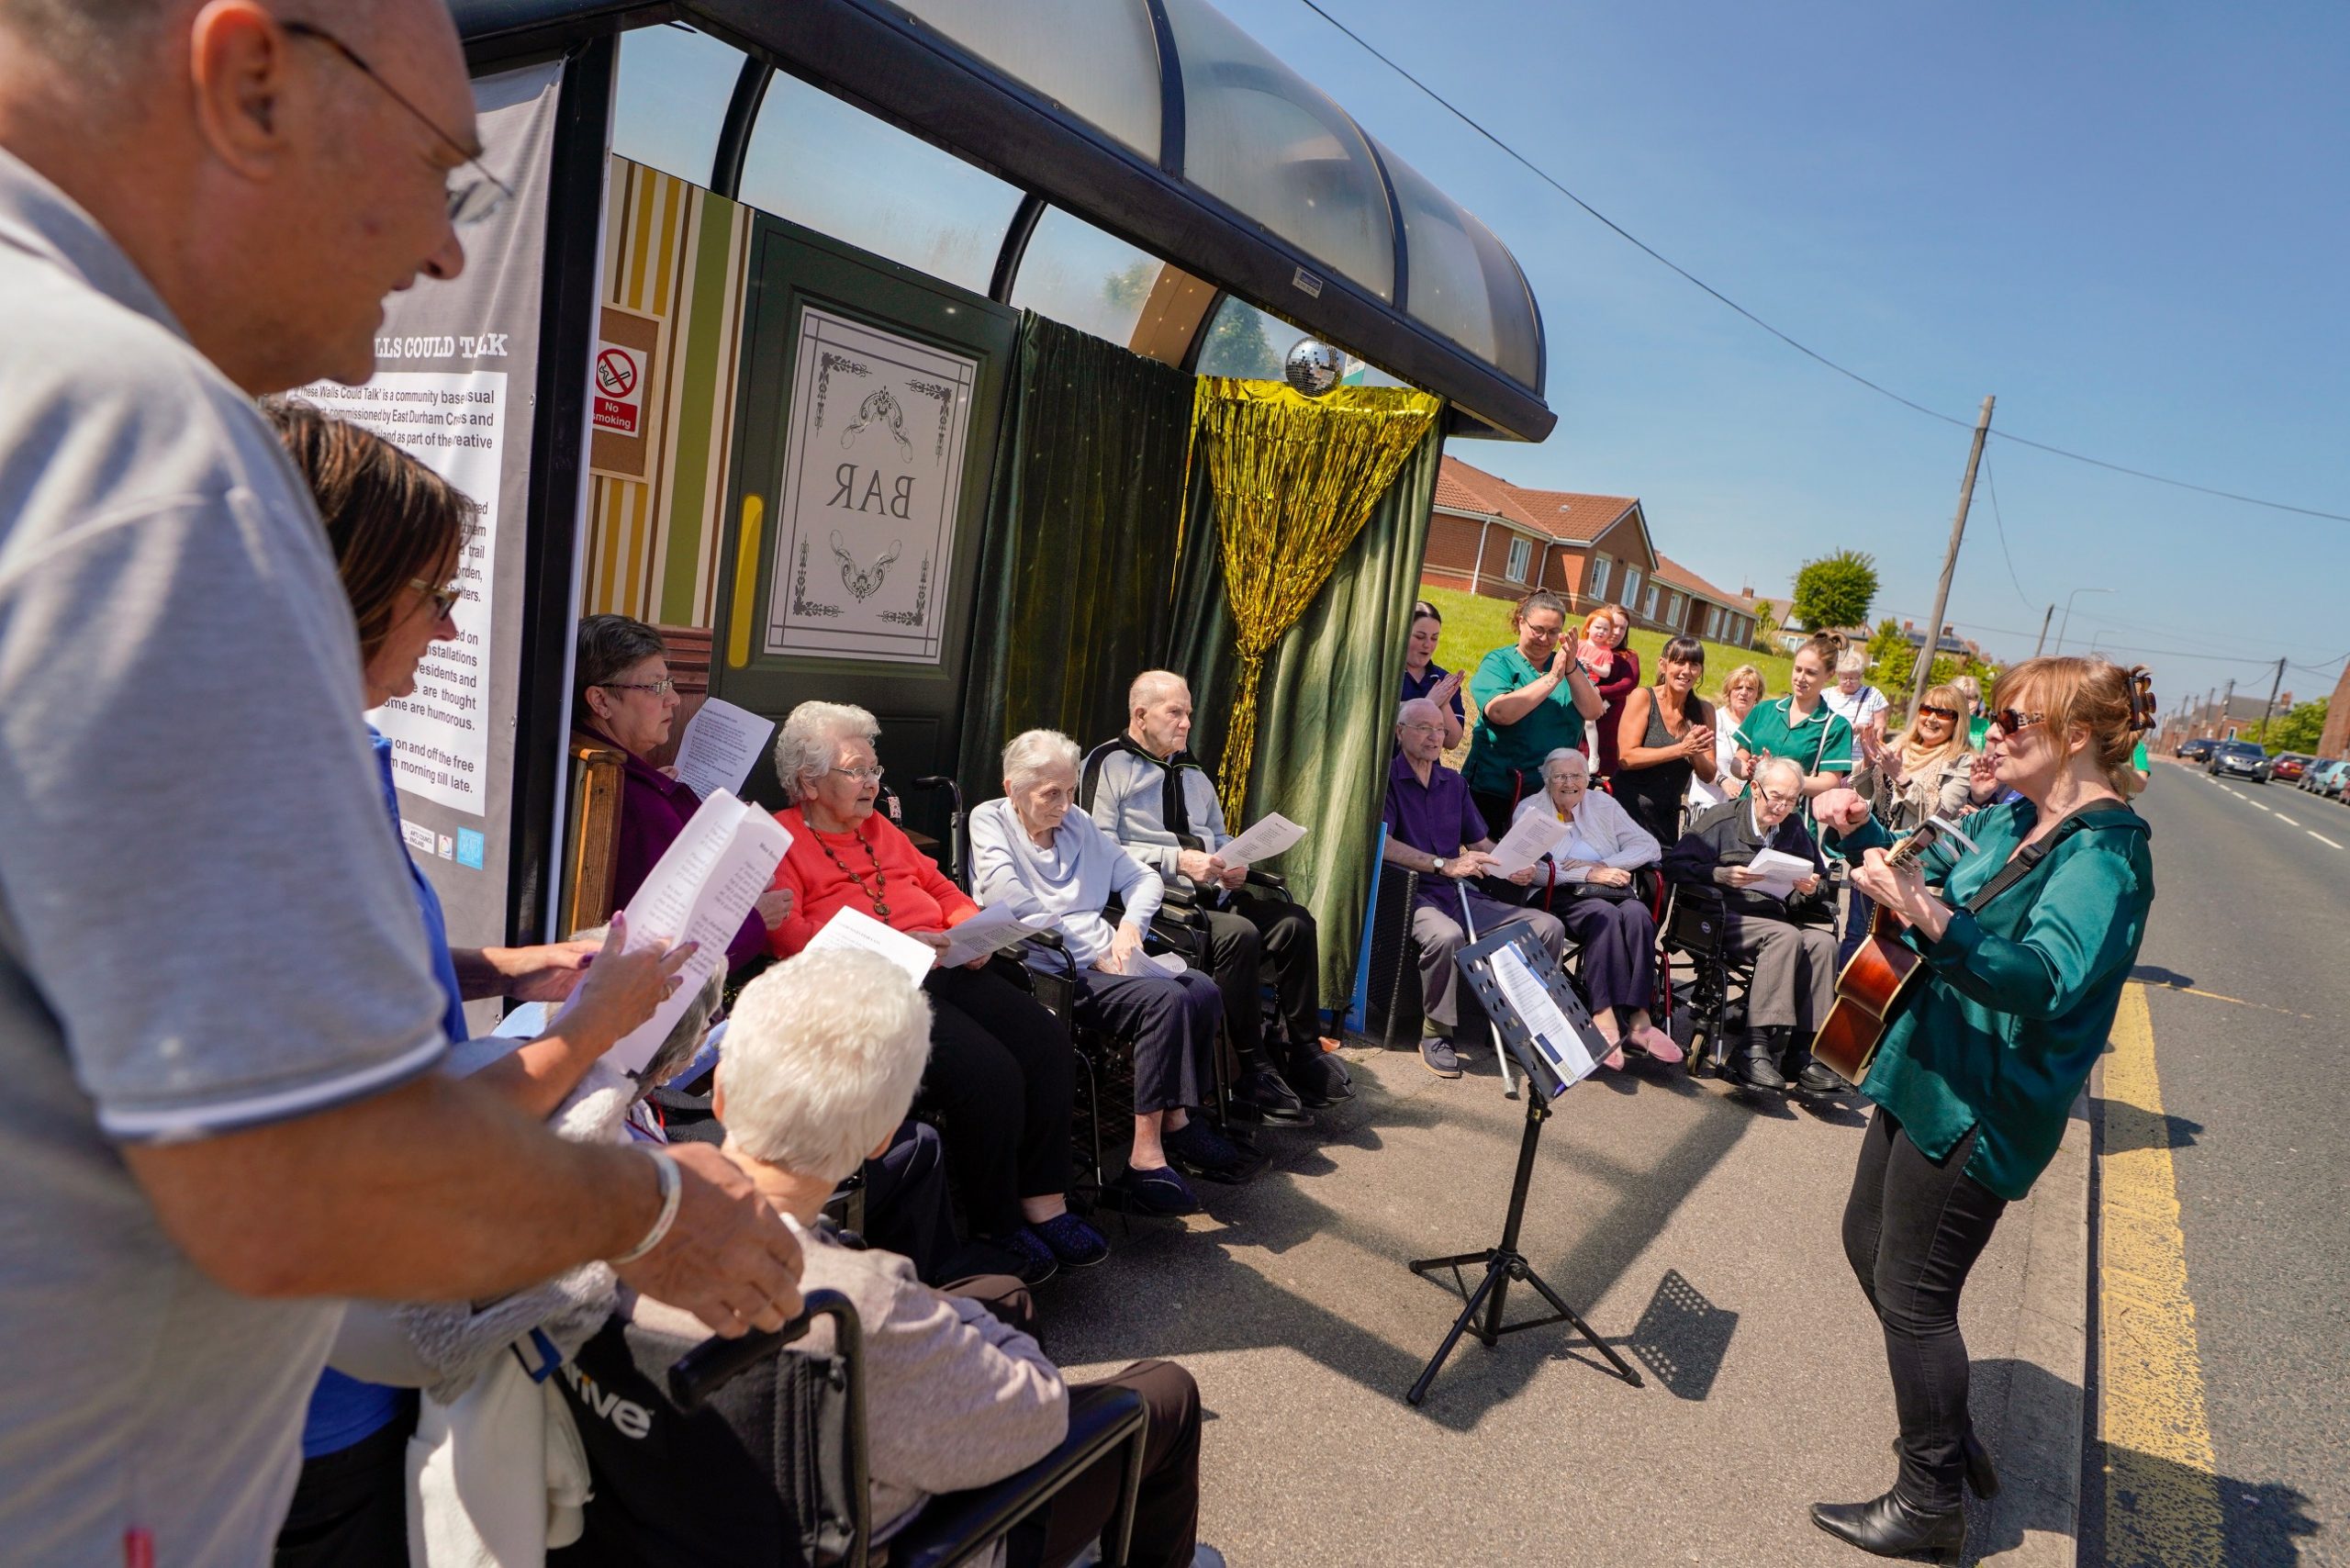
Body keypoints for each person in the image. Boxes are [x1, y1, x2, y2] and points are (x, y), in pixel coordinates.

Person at [0, 5, 800, 1561]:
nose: (445, 247)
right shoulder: (146, 442)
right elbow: (301, 1178)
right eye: (443, 166)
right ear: (250, 78)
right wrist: (654, 1208)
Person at [264, 399, 693, 1565]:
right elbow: (397, 1139)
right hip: (312, 1399)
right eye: (436, 599)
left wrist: (514, 966)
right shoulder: (276, 801)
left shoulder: (334, 749)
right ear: (347, 593)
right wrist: (592, 1022)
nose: (450, 636)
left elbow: (373, 967)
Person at [650, 948, 1218, 1568]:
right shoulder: (864, 1303)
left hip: (695, 1522)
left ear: (722, 1095)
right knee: (1169, 1391)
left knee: (1006, 1295)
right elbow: (1039, 1416)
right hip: (909, 1541)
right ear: (883, 1135)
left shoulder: (600, 1245)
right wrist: (955, 1325)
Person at [1807, 659, 2156, 1561]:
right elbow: (1935, 870)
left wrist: (1922, 911)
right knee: (1863, 1244)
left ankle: (1929, 1501)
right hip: (1923, 1061)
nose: (1990, 729)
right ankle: (1947, 1431)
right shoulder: (2007, 812)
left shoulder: (2105, 855)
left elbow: (2041, 978)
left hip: (1983, 1100)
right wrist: (1872, 836)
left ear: (2075, 737)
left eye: (2012, 718)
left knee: (1916, 1295)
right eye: (1993, 714)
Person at [765, 701, 1105, 1285]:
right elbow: (788, 938)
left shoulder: (881, 830)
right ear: (809, 782)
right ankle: (998, 1224)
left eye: (875, 770)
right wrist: (893, 942)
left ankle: (1045, 1202)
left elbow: (943, 889)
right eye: (856, 771)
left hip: (942, 963)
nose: (873, 782)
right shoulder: (780, 838)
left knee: (1047, 1039)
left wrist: (971, 930)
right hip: (870, 989)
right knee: (988, 1072)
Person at [971, 731, 1257, 1214]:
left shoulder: (1078, 823)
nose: (1065, 805)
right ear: (1012, 789)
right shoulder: (989, 821)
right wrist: (1095, 945)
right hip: (1049, 965)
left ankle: (1177, 1121)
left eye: (1069, 790)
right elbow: (1012, 901)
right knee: (1165, 1001)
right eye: (1051, 794)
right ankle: (1145, 1161)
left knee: (1203, 989)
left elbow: (1141, 877)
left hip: (1109, 954)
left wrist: (1128, 928)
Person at [1083, 671, 1352, 1125]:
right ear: (1140, 714)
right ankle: (1251, 1067)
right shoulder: (1107, 765)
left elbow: (1217, 833)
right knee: (1240, 935)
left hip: (1211, 895)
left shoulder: (1192, 771)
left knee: (1295, 922)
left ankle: (1303, 1049)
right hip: (1154, 904)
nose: (1187, 722)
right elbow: (1096, 845)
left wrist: (1232, 861)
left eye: (1189, 712)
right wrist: (1176, 859)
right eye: (1175, 712)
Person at [575, 613, 787, 971]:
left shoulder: (588, 759)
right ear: (601, 701)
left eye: (670, 683)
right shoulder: (638, 806)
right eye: (656, 687)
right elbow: (672, 947)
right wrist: (753, 917)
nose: (672, 698)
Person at [1384, 699, 1568, 1079]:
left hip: (1458, 893)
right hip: (1411, 892)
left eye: (1440, 729)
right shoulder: (1386, 779)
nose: (1435, 736)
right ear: (1400, 733)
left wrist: (1513, 865)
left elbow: (1482, 845)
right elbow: (1383, 844)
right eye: (1423, 728)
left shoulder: (1454, 783)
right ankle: (1436, 1033)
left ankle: (1519, 1029)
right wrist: (1443, 864)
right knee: (1446, 935)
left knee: (1546, 926)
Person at [1662, 757, 1842, 1092]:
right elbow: (1673, 865)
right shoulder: (1721, 820)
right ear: (1755, 788)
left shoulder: (1793, 829)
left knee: (1823, 944)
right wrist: (1719, 875)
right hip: (1722, 916)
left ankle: (1804, 1052)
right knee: (1785, 936)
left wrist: (1811, 888)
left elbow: (1817, 880)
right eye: (1776, 796)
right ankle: (1752, 1047)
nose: (1782, 806)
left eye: (1791, 801)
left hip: (1774, 917)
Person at [1509, 750, 1679, 1068]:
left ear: (1588, 779)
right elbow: (1532, 868)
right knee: (1605, 916)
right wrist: (1586, 874)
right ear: (1547, 780)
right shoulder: (1531, 810)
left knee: (1639, 915)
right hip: (1555, 894)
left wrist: (1603, 864)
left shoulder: (1603, 804)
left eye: (1577, 776)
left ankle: (1640, 1021)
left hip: (1609, 889)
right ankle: (1603, 1018)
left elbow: (1648, 846)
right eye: (1560, 776)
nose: (1569, 783)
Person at [1841, 683, 1985, 966]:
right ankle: (1838, 1005)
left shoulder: (1962, 761)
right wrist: (1869, 761)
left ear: (1958, 720)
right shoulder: (1899, 746)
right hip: (1872, 857)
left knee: (1895, 953)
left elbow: (1941, 816)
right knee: (1856, 939)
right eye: (1927, 709)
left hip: (1913, 869)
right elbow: (1868, 794)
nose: (1931, 718)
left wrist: (1903, 778)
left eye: (1943, 713)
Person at [1463, 589, 1606, 837]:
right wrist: (1552, 678)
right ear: (1521, 622)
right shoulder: (1499, 663)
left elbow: (1593, 710)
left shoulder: (1568, 665)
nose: (1544, 638)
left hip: (1551, 794)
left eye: (1553, 632)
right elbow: (1500, 713)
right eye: (1537, 629)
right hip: (1498, 790)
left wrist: (1570, 669)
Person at [1612, 634, 1717, 848]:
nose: (1686, 671)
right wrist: (1681, 749)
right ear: (1663, 665)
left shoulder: (1705, 711)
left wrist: (1694, 751)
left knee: (1660, 881)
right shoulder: (1643, 697)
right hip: (1627, 810)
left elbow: (1709, 774)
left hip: (1666, 817)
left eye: (1694, 664)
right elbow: (1626, 757)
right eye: (1679, 662)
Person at [1731, 632, 1856, 799]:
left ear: (1829, 675)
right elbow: (1737, 761)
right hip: (1748, 809)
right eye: (1797, 669)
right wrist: (1750, 770)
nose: (1800, 678)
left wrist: (1777, 776)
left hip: (1793, 816)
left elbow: (1829, 783)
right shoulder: (1763, 710)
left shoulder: (1836, 726)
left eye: (1811, 673)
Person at [1575, 604, 1642, 777]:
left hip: (1609, 720)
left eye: (1623, 628)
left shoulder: (1628, 656)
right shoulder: (1586, 648)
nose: (1617, 632)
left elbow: (1628, 683)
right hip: (1578, 713)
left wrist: (1598, 692)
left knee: (1599, 771)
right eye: (1614, 625)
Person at [1687, 664, 1764, 813]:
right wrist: (1723, 781)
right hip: (1708, 805)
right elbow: (1698, 761)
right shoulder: (1712, 719)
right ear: (1728, 692)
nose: (1743, 693)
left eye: (1750, 689)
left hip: (1744, 810)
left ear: (1757, 695)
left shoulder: (1761, 726)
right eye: (1738, 688)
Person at [1400, 600, 1466, 749]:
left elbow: (1452, 742)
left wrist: (1443, 702)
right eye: (1420, 637)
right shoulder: (1384, 674)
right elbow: (1375, 718)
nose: (1427, 644)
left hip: (1426, 770)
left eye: (1434, 638)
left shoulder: (1443, 680)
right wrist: (1428, 704)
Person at [1822, 646, 1890, 746]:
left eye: (1853, 678)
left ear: (1861, 676)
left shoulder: (1873, 695)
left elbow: (1881, 728)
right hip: (1829, 753)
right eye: (1844, 678)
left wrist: (1862, 729)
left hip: (1860, 757)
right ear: (1838, 676)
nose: (1848, 682)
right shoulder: (1825, 695)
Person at [1950, 672, 1990, 748]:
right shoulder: (1946, 721)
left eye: (1974, 697)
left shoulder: (1984, 725)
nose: (1972, 702)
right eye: (1965, 698)